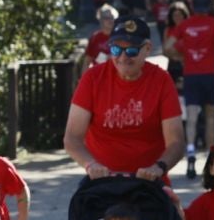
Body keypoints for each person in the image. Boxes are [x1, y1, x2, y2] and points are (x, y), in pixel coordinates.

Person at [61, 17, 186, 187]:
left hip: (148, 181)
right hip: (103, 180)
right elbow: (72, 138)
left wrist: (158, 167)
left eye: (131, 51)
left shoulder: (161, 80)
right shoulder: (92, 78)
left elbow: (176, 142)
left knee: (174, 212)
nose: (122, 57)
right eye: (115, 49)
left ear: (147, 49)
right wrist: (91, 165)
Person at [166, 0, 214, 177]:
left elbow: (167, 47)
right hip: (209, 73)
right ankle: (210, 159)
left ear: (193, 7)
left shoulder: (185, 25)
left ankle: (191, 153)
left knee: (191, 117)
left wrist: (181, 58)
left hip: (191, 74)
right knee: (210, 117)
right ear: (208, 6)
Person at [78, 3, 119, 77]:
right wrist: (83, 80)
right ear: (101, 20)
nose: (110, 20)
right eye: (107, 18)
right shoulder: (95, 38)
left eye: (112, 17)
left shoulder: (120, 37)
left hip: (117, 77)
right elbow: (87, 62)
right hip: (99, 76)